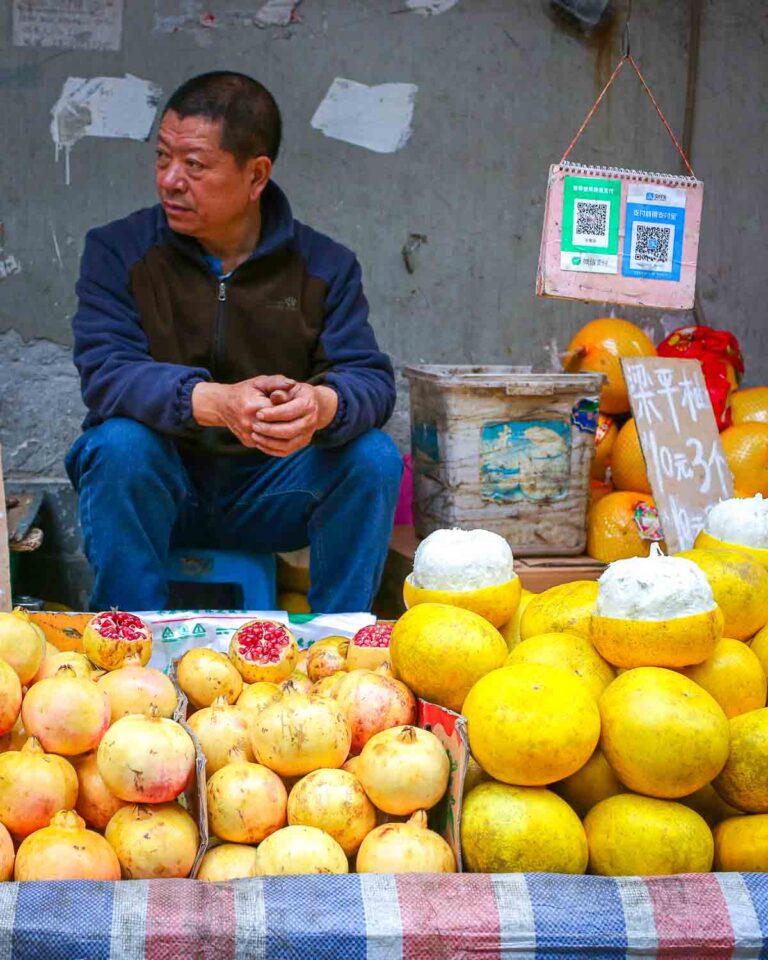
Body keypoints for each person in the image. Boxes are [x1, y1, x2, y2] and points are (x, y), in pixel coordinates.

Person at [65, 71, 402, 613]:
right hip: (159, 486)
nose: (170, 180)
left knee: (373, 456)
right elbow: (107, 373)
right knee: (119, 446)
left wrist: (319, 406)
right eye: (162, 158)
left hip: (272, 492)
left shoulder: (325, 266)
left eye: (195, 165)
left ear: (256, 175)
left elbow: (369, 379)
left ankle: (340, 651)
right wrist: (216, 402)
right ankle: (123, 659)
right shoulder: (118, 251)